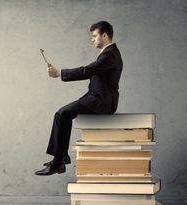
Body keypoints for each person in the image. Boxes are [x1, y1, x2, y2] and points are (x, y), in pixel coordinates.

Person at [35, 21, 123, 176]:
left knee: (61, 114)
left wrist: (59, 73)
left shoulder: (110, 55)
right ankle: (61, 157)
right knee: (64, 115)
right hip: (97, 98)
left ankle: (58, 162)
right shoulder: (109, 53)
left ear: (105, 35)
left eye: (95, 36)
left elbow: (87, 70)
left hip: (101, 102)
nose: (92, 39)